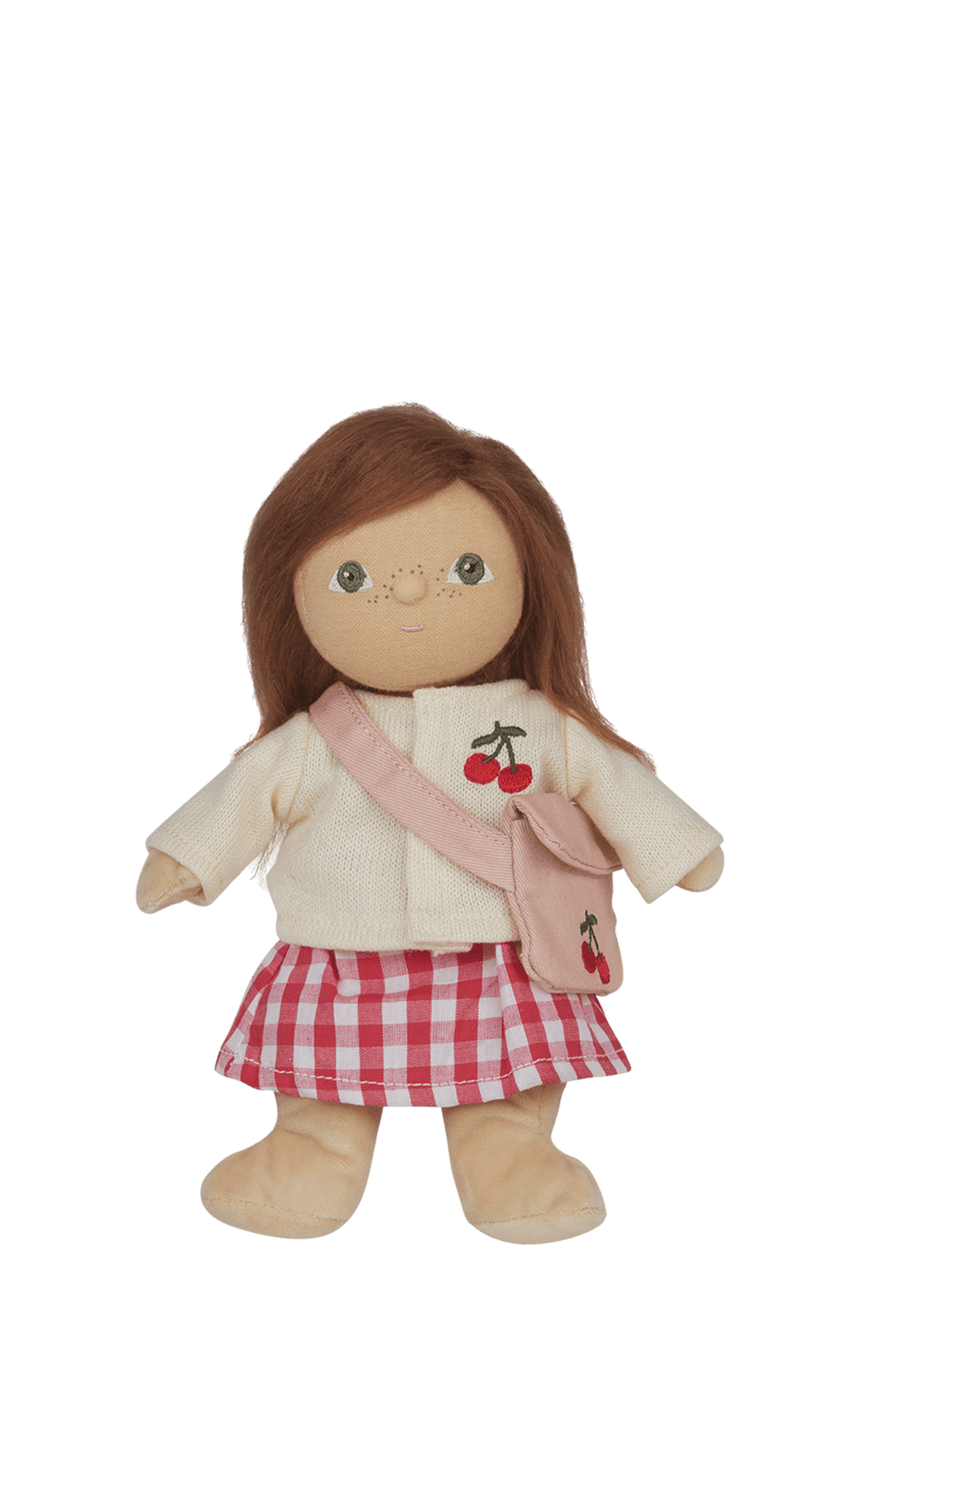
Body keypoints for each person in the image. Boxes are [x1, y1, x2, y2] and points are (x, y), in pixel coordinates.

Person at [136, 402, 725, 1244]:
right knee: (323, 1086)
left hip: (499, 953)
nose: (411, 590)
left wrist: (679, 850)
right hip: (341, 952)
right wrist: (189, 858)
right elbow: (240, 799)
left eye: (466, 568)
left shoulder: (540, 724)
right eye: (352, 577)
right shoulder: (313, 739)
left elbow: (616, 786)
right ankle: (311, 1149)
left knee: (506, 1091)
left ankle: (509, 1152)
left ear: (528, 575)